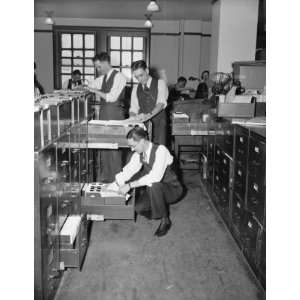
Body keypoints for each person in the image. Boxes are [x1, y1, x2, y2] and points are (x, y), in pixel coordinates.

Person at [111, 126, 183, 237]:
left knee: (153, 184)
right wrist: (113, 185)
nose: (132, 149)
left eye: (133, 146)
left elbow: (155, 177)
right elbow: (128, 170)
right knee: (139, 208)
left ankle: (165, 219)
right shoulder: (139, 154)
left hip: (172, 189)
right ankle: (158, 207)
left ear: (142, 141)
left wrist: (130, 185)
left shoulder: (161, 150)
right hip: (155, 190)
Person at [87, 52, 127, 182]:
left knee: (114, 149)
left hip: (115, 115)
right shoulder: (103, 78)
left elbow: (111, 97)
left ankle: (117, 180)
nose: (97, 70)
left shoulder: (120, 77)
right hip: (104, 115)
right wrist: (85, 87)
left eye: (98, 66)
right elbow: (91, 85)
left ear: (105, 63)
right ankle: (105, 178)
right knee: (104, 147)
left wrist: (95, 91)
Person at [129, 60, 169, 145]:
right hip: (143, 126)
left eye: (141, 75)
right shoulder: (135, 89)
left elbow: (161, 104)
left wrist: (148, 116)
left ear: (147, 71)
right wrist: (134, 117)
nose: (139, 79)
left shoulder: (160, 83)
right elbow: (133, 108)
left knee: (158, 151)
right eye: (136, 77)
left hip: (158, 124)